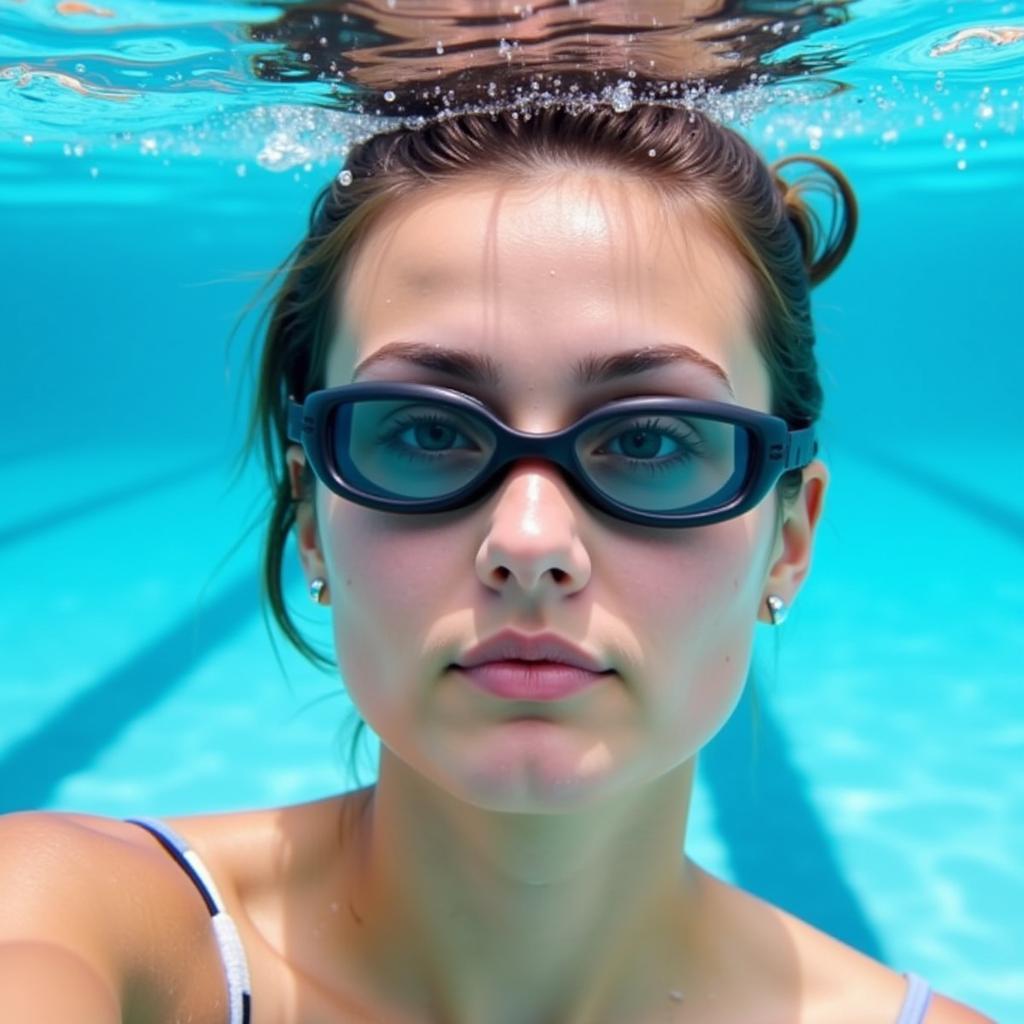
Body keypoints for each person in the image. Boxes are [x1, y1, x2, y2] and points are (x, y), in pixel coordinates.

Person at [0, 102, 992, 1024]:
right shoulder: (85, 922)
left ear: (788, 538)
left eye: (649, 443)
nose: (527, 542)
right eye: (426, 432)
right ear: (309, 513)